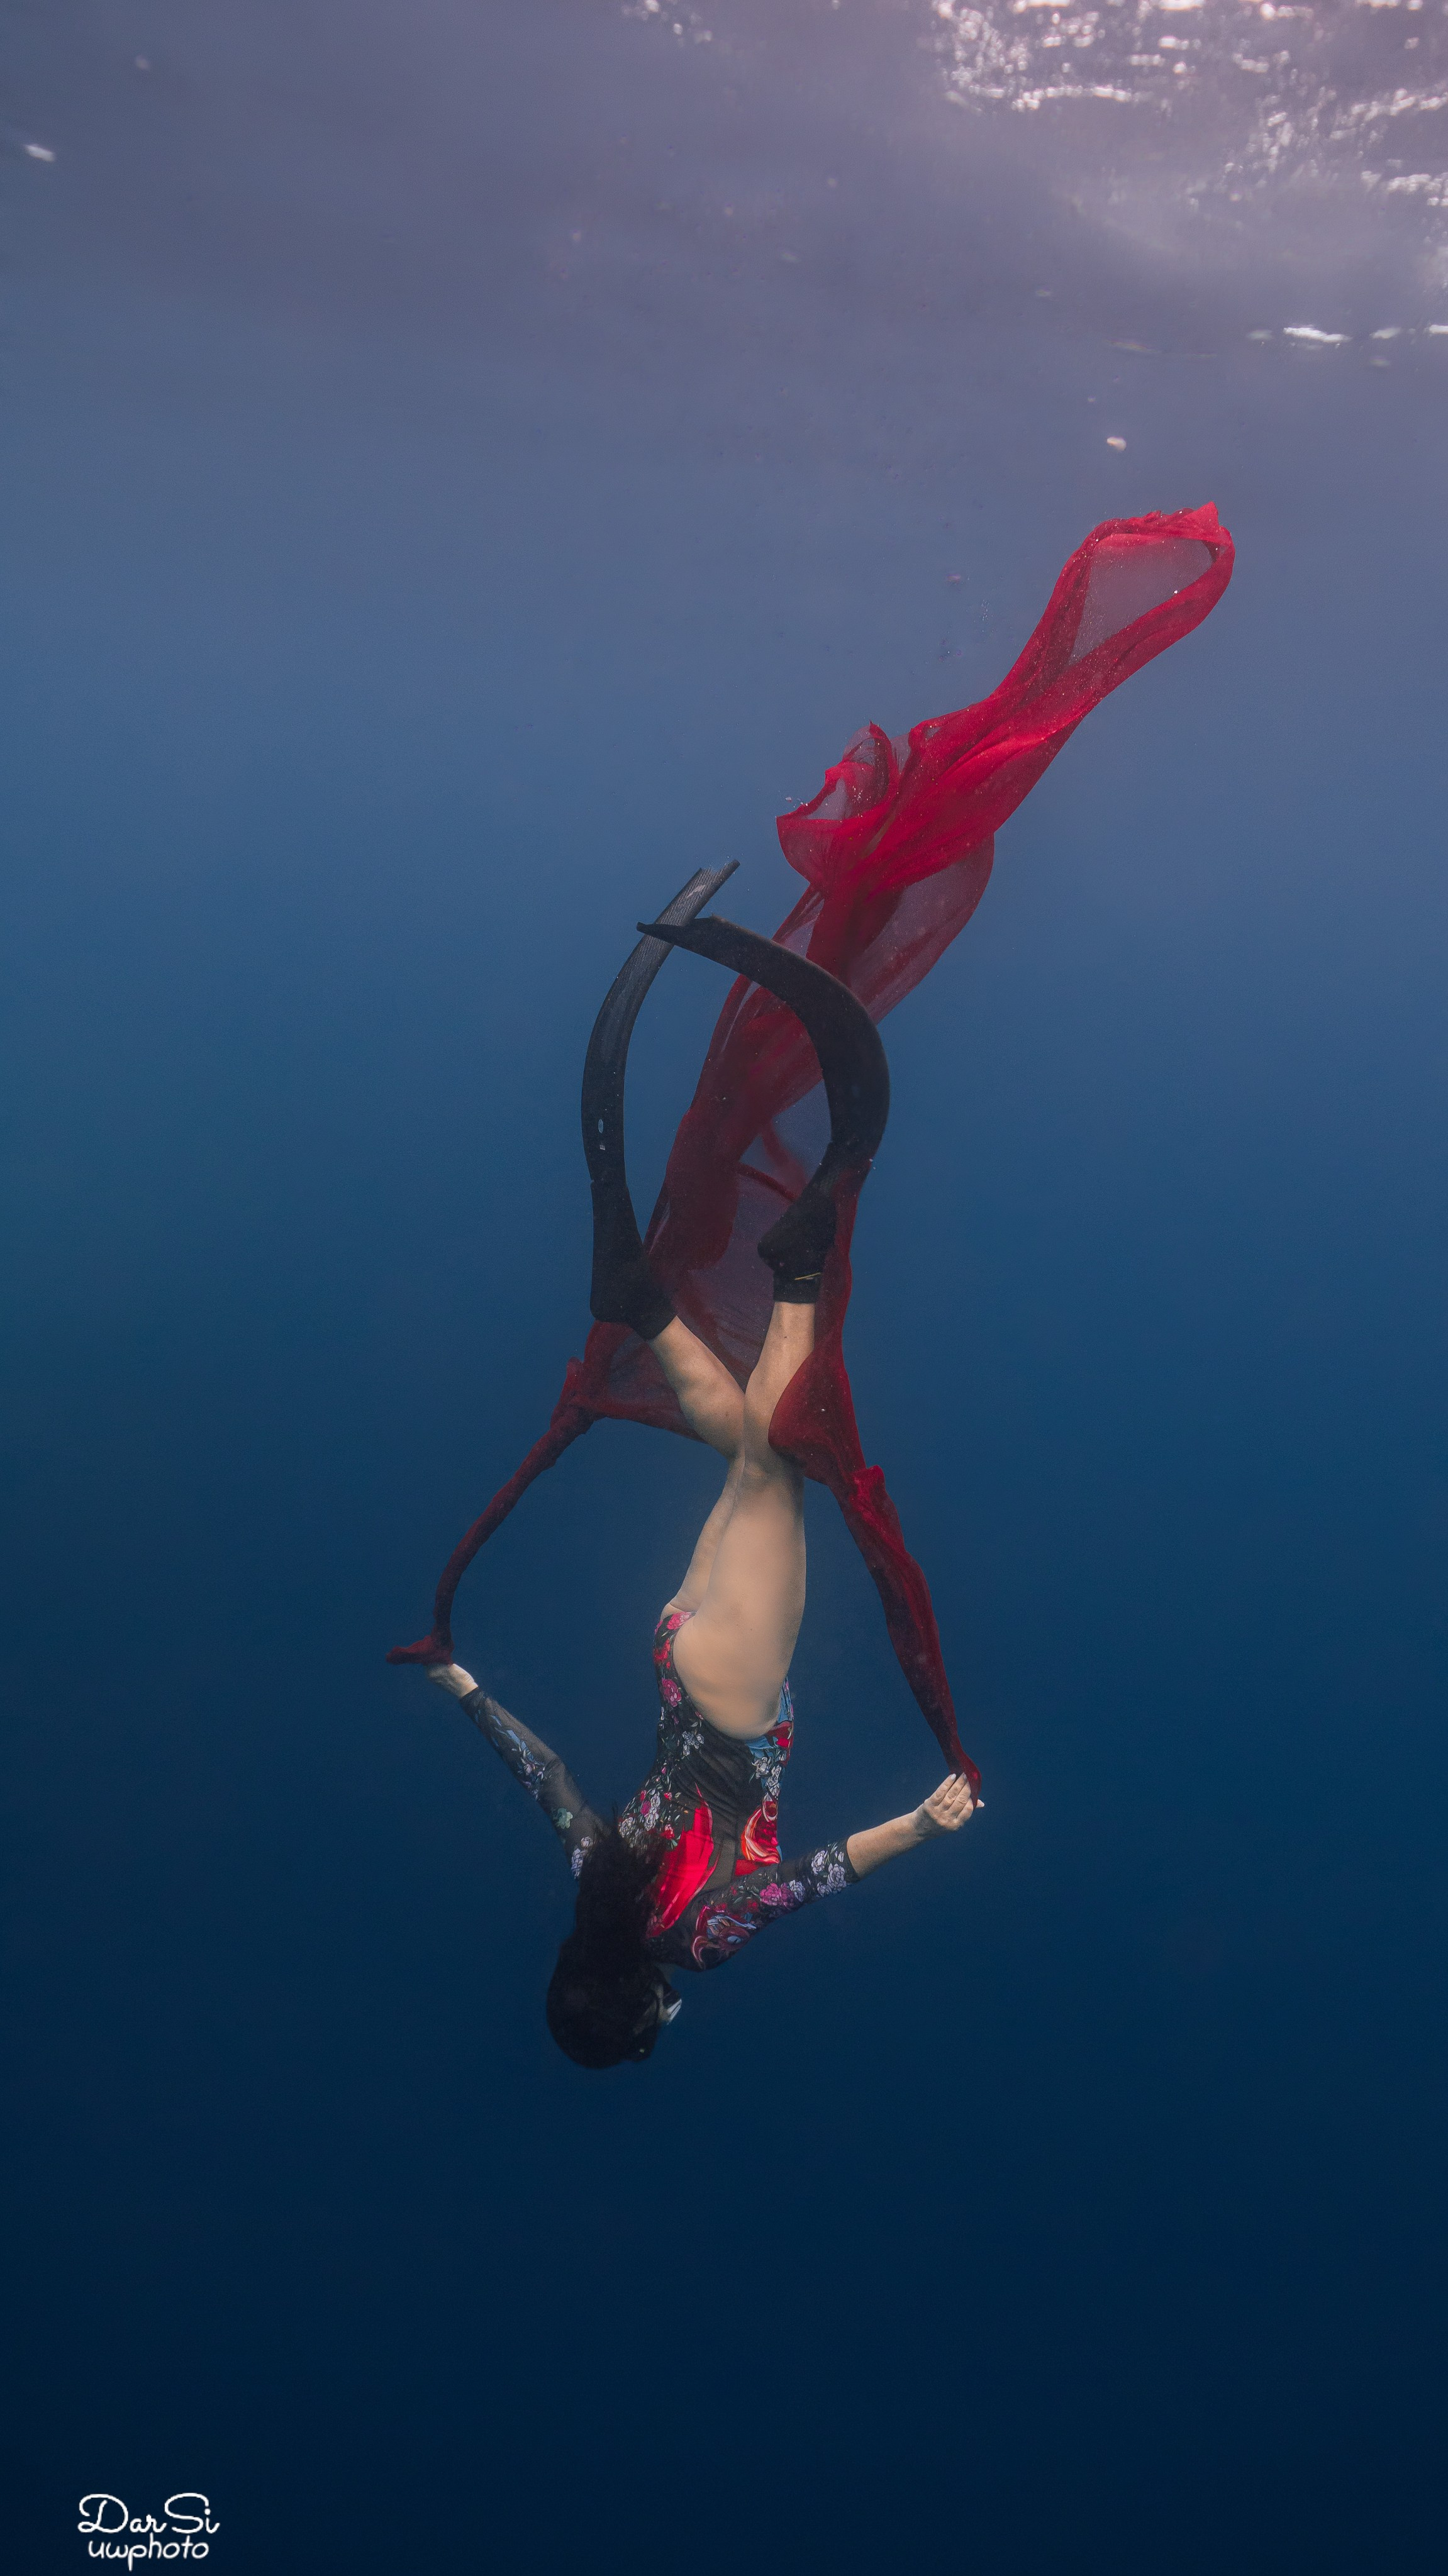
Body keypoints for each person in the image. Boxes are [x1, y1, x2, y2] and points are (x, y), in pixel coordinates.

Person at [421, 894, 979, 2067]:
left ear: (632, 2007)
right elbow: (550, 1778)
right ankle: (646, 1307)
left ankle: (793, 1267)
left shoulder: (693, 1939)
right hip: (678, 1653)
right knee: (750, 1456)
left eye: (646, 2032)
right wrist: (460, 1683)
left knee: (779, 1464)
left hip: (737, 1698)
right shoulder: (597, 1884)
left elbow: (817, 1878)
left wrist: (930, 1824)